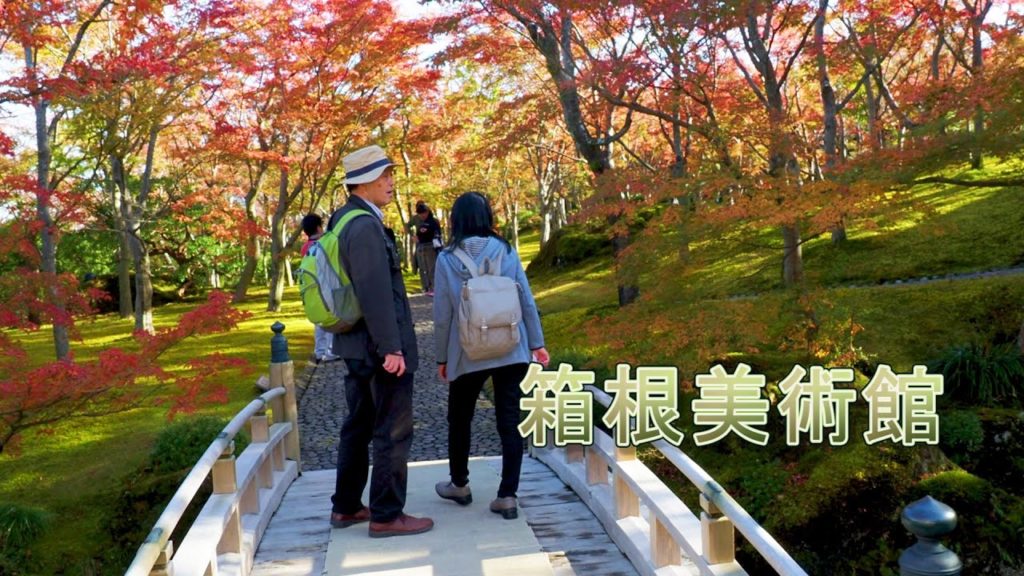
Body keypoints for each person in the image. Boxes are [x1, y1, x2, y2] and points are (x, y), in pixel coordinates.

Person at [327, 144, 433, 538]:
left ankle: (347, 506)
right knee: (392, 428)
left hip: (355, 344)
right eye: (384, 175)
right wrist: (392, 347)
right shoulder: (365, 226)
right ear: (364, 181)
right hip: (378, 349)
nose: (391, 182)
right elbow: (374, 291)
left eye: (390, 174)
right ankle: (387, 514)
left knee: (357, 425)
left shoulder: (342, 220)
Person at [432, 191, 550, 520]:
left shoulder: (446, 259)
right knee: (509, 420)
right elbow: (525, 298)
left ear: (455, 220)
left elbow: (442, 314)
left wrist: (442, 357)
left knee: (459, 419)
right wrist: (536, 343)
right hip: (511, 345)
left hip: (467, 349)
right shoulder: (507, 250)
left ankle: (460, 484)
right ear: (487, 217)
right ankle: (508, 495)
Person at [300, 213, 339, 363]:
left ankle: (319, 351)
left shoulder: (305, 248)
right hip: (326, 286)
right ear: (319, 227)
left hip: (311, 288)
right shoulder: (325, 243)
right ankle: (330, 352)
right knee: (331, 318)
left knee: (318, 321)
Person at [411, 201, 442, 295]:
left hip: (430, 247)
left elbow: (436, 234)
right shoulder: (422, 223)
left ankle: (434, 287)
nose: (422, 215)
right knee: (424, 268)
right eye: (420, 213)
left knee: (432, 268)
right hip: (422, 247)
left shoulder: (433, 222)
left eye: (423, 213)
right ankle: (428, 287)